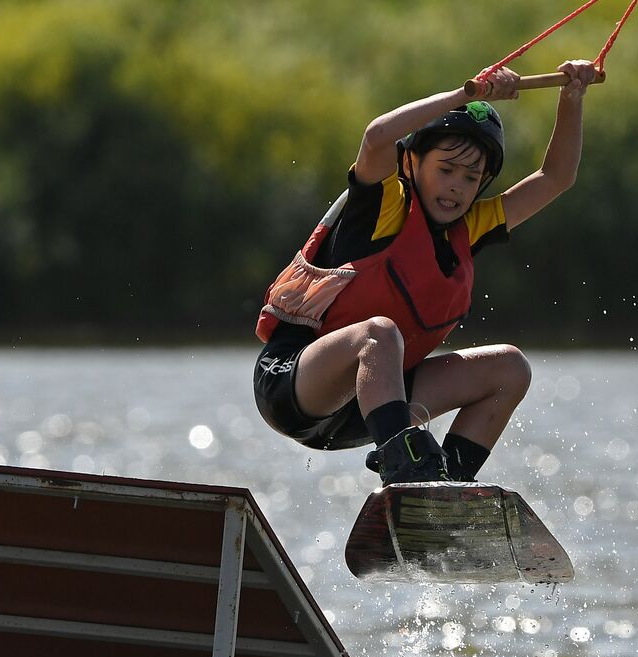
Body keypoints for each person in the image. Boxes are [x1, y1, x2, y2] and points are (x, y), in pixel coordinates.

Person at [253, 60, 602, 485]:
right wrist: (465, 96)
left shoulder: (470, 226)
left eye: (472, 177)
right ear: (412, 163)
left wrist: (573, 95)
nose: (458, 185)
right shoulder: (385, 205)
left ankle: (443, 491)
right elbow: (377, 136)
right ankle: (406, 471)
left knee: (510, 368)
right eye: (446, 169)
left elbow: (556, 177)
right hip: (294, 388)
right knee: (378, 333)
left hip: (368, 412)